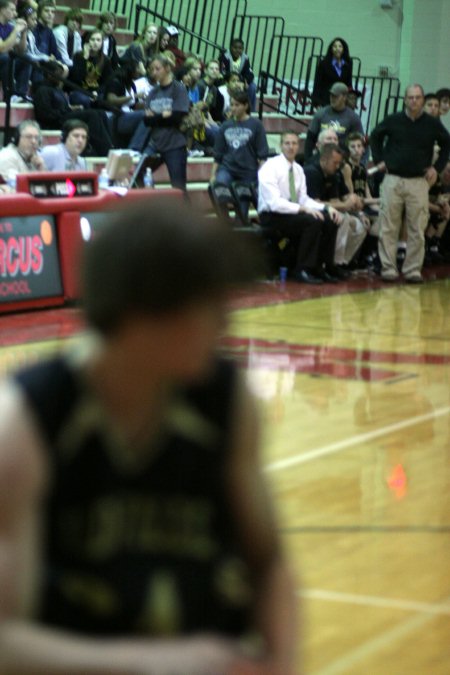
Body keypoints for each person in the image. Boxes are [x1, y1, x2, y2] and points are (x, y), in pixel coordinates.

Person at [0, 197, 298, 675]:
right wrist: (151, 664)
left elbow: (269, 565)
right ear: (144, 312)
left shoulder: (227, 399)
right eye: (209, 308)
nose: (225, 326)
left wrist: (282, 664)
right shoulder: (27, 423)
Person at [369, 83, 450, 283]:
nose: (414, 101)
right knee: (389, 225)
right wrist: (380, 160)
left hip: (418, 181)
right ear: (405, 100)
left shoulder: (432, 123)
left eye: (417, 97)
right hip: (393, 178)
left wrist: (437, 168)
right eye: (410, 97)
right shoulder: (393, 120)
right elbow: (375, 136)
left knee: (417, 227)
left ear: (423, 100)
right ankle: (388, 267)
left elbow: (447, 143)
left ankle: (413, 269)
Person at [258, 130, 341, 284]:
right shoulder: (270, 167)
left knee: (329, 219)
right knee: (312, 221)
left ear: (299, 146)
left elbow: (303, 198)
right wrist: (303, 209)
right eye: (287, 143)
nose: (291, 147)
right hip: (271, 215)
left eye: (294, 143)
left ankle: (322, 266)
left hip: (291, 213)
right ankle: (302, 269)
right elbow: (274, 203)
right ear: (281, 146)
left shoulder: (298, 169)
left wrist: (326, 208)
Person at [304, 143, 368, 276]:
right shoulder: (312, 172)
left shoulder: (333, 173)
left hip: (329, 209)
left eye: (339, 163)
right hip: (312, 209)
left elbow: (336, 200)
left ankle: (343, 262)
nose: (338, 166)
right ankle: (330, 263)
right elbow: (314, 202)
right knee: (341, 220)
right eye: (335, 163)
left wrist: (356, 206)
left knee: (360, 226)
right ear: (324, 160)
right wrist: (345, 206)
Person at [131, 54, 190, 191]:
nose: (154, 72)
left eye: (157, 69)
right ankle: (152, 202)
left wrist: (157, 117)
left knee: (179, 188)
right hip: (155, 143)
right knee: (137, 175)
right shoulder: (153, 92)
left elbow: (177, 117)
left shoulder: (178, 88)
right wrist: (164, 115)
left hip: (174, 144)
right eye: (151, 69)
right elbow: (147, 120)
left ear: (167, 68)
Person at [32, 61, 113, 156]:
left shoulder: (56, 89)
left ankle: (111, 145)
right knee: (92, 115)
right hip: (54, 122)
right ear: (49, 75)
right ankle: (105, 150)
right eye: (58, 74)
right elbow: (45, 114)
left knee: (100, 113)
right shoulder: (42, 90)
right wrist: (68, 110)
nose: (61, 77)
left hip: (63, 116)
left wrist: (71, 109)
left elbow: (63, 108)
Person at [211, 89, 268, 220]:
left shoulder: (256, 125)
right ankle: (225, 222)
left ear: (245, 106)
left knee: (242, 213)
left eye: (237, 105)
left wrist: (261, 176)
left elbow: (263, 155)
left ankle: (238, 230)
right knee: (219, 186)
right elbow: (218, 154)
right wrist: (212, 175)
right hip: (228, 168)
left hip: (248, 172)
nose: (233, 108)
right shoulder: (225, 126)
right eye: (232, 105)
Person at [304, 82, 364, 161]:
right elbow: (310, 139)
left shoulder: (353, 118)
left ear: (344, 97)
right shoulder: (321, 114)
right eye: (331, 95)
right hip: (321, 158)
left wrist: (361, 162)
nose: (332, 99)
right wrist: (308, 160)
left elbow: (360, 141)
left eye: (336, 96)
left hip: (342, 160)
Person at [69, 29, 113, 107]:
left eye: (98, 40)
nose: (95, 42)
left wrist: (97, 92)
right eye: (92, 39)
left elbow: (106, 82)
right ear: (87, 41)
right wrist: (85, 58)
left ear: (102, 43)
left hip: (96, 92)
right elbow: (76, 79)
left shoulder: (105, 60)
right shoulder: (78, 56)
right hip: (79, 91)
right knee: (84, 100)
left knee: (106, 101)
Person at [311, 37, 353, 109]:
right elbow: (317, 84)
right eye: (335, 46)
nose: (337, 49)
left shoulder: (348, 64)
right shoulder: (324, 64)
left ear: (343, 49)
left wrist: (350, 99)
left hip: (342, 101)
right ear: (331, 49)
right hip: (326, 99)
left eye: (340, 46)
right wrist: (317, 102)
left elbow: (349, 83)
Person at [219, 37, 256, 111]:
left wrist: (245, 81)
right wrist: (232, 79)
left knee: (253, 86)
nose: (237, 50)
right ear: (230, 47)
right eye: (235, 48)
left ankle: (250, 110)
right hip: (228, 81)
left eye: (240, 48)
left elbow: (250, 73)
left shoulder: (245, 58)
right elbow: (222, 72)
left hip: (240, 81)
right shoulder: (224, 57)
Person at [0, 0, 27, 98]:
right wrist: (16, 30)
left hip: (4, 60)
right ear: (2, 10)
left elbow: (21, 50)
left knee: (26, 59)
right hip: (2, 59)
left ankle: (21, 94)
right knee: (6, 57)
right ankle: (10, 95)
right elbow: (2, 48)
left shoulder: (10, 27)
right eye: (12, 10)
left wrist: (24, 33)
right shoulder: (13, 29)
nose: (15, 13)